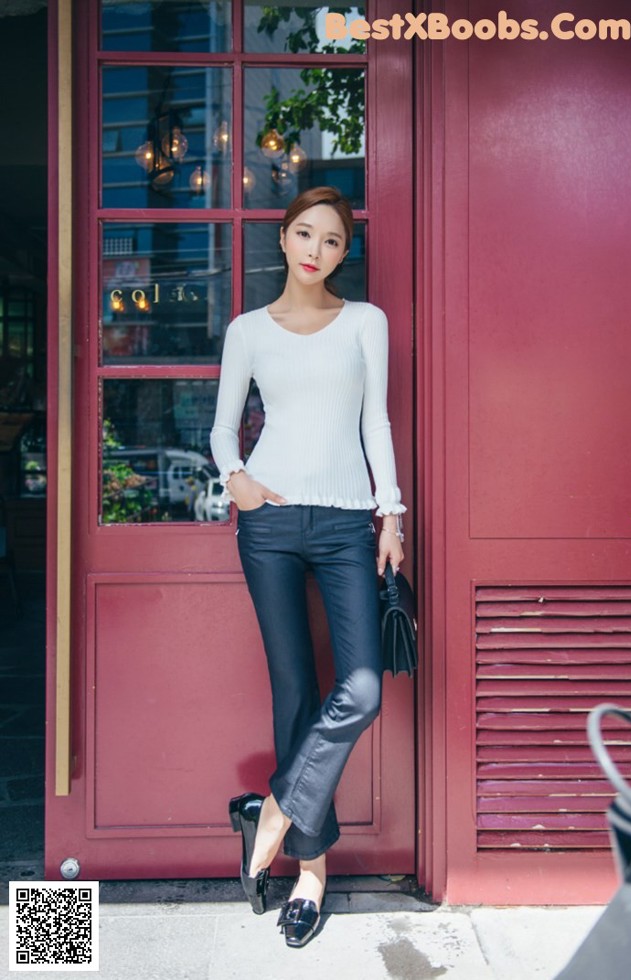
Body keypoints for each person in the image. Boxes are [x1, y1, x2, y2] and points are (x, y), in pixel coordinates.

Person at [210, 185, 406, 948]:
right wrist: (239, 483)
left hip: (346, 523)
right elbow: (226, 429)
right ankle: (311, 873)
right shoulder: (248, 331)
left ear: (343, 252)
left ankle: (274, 811)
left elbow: (376, 419)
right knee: (294, 692)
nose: (315, 250)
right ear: (283, 237)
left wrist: (391, 514)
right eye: (304, 233)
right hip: (269, 522)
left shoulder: (365, 322)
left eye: (330, 240)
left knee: (359, 689)